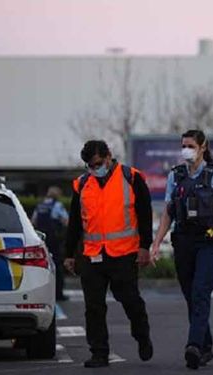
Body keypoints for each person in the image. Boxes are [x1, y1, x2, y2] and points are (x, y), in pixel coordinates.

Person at [151, 129, 213, 370]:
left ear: (203, 147)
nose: (186, 150)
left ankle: (193, 346)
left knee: (201, 292)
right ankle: (206, 346)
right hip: (183, 241)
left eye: (191, 145)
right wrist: (157, 243)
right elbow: (168, 213)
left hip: (209, 242)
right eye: (183, 145)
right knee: (191, 295)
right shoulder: (176, 175)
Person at [63, 140, 154, 368]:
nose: (95, 169)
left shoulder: (131, 178)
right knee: (93, 307)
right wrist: (69, 254)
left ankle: (142, 335)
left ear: (109, 156)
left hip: (123, 254)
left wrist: (145, 247)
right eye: (90, 166)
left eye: (98, 164)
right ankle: (99, 352)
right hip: (92, 255)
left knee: (130, 301)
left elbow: (145, 214)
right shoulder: (83, 184)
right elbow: (75, 222)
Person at [32, 186, 69, 301]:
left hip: (42, 240)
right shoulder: (57, 205)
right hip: (54, 240)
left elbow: (33, 222)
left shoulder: (40, 206)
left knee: (41, 265)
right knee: (57, 266)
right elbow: (66, 221)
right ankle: (58, 293)